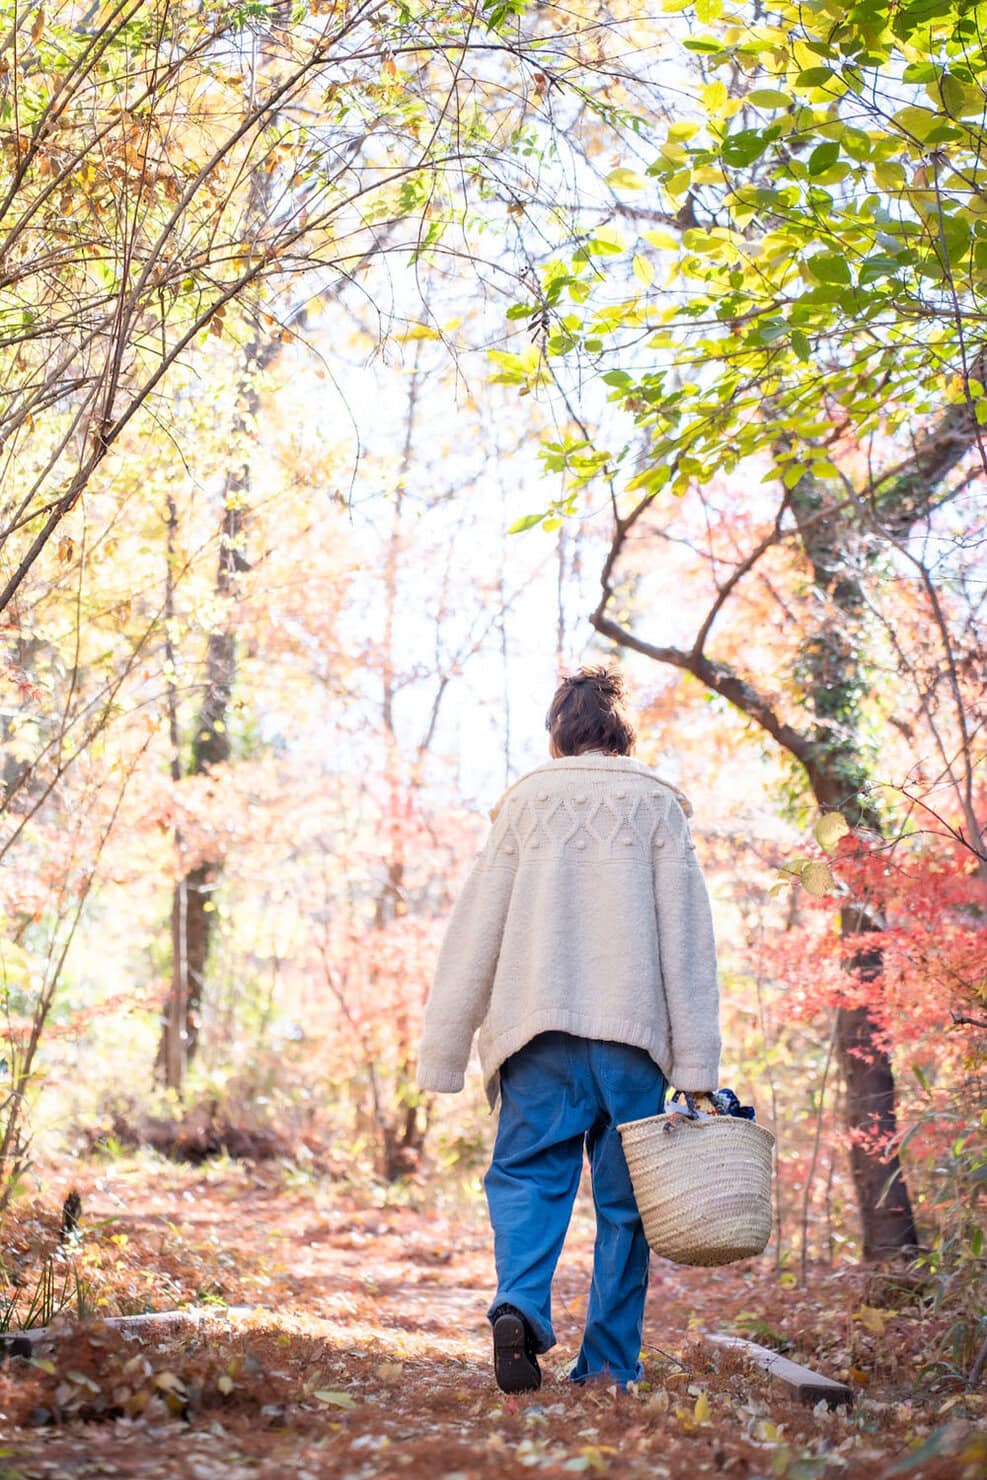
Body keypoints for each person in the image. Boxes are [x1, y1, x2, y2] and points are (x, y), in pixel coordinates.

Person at [416, 667, 721, 1393]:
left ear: (559, 727)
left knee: (526, 1176)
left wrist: (445, 1050)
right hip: (633, 1040)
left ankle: (518, 1306)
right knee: (625, 1207)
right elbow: (687, 940)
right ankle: (611, 1365)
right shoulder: (657, 805)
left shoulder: (524, 804)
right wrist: (697, 1067)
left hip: (534, 1033)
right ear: (620, 730)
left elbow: (475, 931)